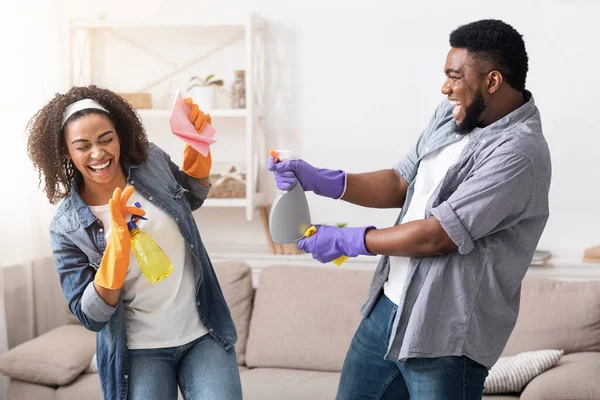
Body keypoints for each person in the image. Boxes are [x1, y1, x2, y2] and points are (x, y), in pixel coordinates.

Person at [268, 19, 551, 399]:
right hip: (388, 308)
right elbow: (402, 182)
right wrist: (320, 179)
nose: (445, 87)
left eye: (454, 77)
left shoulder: (519, 152)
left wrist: (352, 240)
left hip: (446, 336)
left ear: (493, 81)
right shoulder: (454, 117)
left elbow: (440, 235)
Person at [26, 85, 242, 400]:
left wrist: (198, 146)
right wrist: (116, 242)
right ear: (65, 151)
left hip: (203, 332)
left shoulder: (150, 161)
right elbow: (91, 316)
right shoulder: (66, 228)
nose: (98, 154)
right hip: (139, 351)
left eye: (106, 139)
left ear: (120, 136)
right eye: (82, 145)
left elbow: (190, 197)